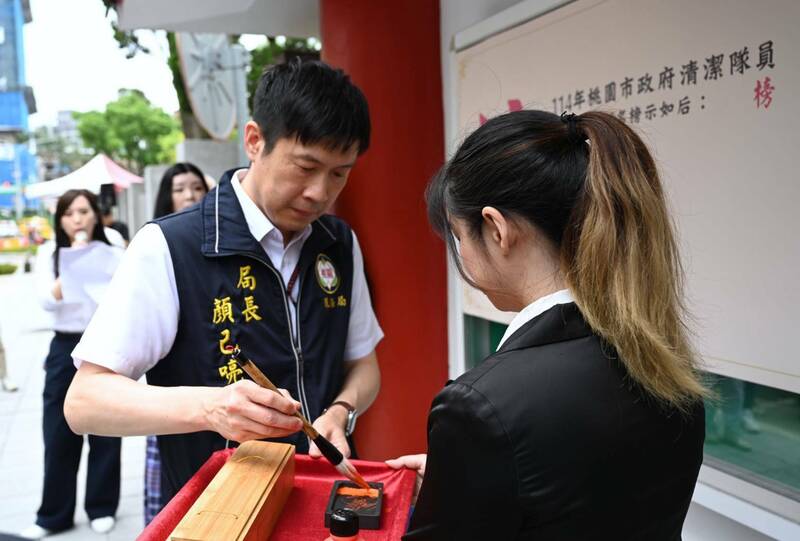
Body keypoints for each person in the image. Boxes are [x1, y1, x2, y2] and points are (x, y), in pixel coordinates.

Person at [64, 61, 383, 511]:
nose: (319, 192)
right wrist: (211, 407)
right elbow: (84, 402)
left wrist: (341, 410)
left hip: (321, 501)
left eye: (339, 173)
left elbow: (364, 364)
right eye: (305, 166)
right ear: (254, 141)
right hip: (217, 512)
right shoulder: (170, 245)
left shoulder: (339, 243)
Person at [387, 110, 707, 540]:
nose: (461, 254)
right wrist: (462, 481)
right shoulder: (669, 368)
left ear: (496, 229)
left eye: (459, 237)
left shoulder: (481, 407)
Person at [21, 189, 124, 539]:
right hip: (65, 344)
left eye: (84, 211)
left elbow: (125, 289)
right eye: (69, 213)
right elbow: (45, 301)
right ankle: (53, 514)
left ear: (96, 214)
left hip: (104, 343)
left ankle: (102, 506)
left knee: (107, 427)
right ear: (60, 219)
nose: (77, 219)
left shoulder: (112, 243)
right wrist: (76, 264)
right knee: (58, 429)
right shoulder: (50, 251)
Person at [143, 161, 208, 525]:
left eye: (197, 188)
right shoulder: (157, 244)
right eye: (180, 189)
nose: (189, 196)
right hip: (176, 396)